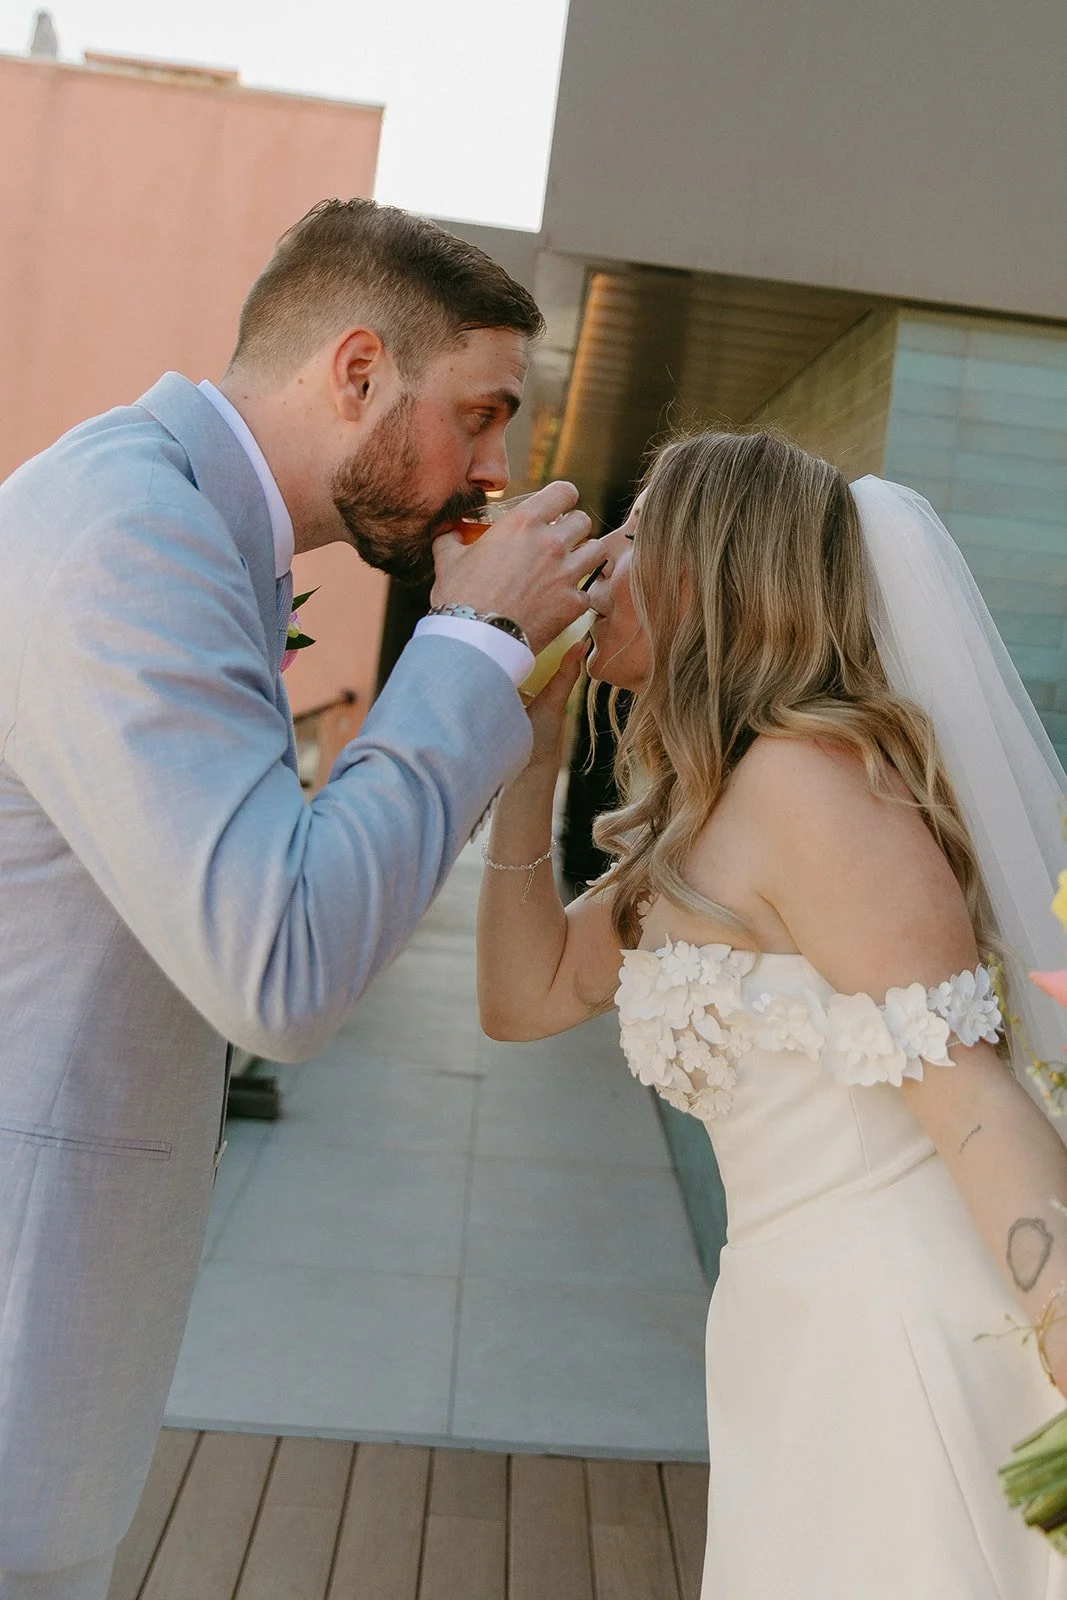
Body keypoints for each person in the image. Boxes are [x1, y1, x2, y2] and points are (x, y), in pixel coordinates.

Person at [0, 197, 603, 1599]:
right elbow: (279, 964)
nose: (492, 469)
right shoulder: (128, 539)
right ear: (353, 373)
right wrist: (465, 642)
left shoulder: (178, 522)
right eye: (481, 412)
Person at [476, 429, 1067, 1598]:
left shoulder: (813, 789)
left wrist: (1059, 1309)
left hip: (893, 1328)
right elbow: (522, 995)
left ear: (713, 568)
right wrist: (529, 765)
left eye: (638, 530)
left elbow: (969, 1099)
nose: (602, 557)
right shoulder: (704, 815)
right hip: (783, 1326)